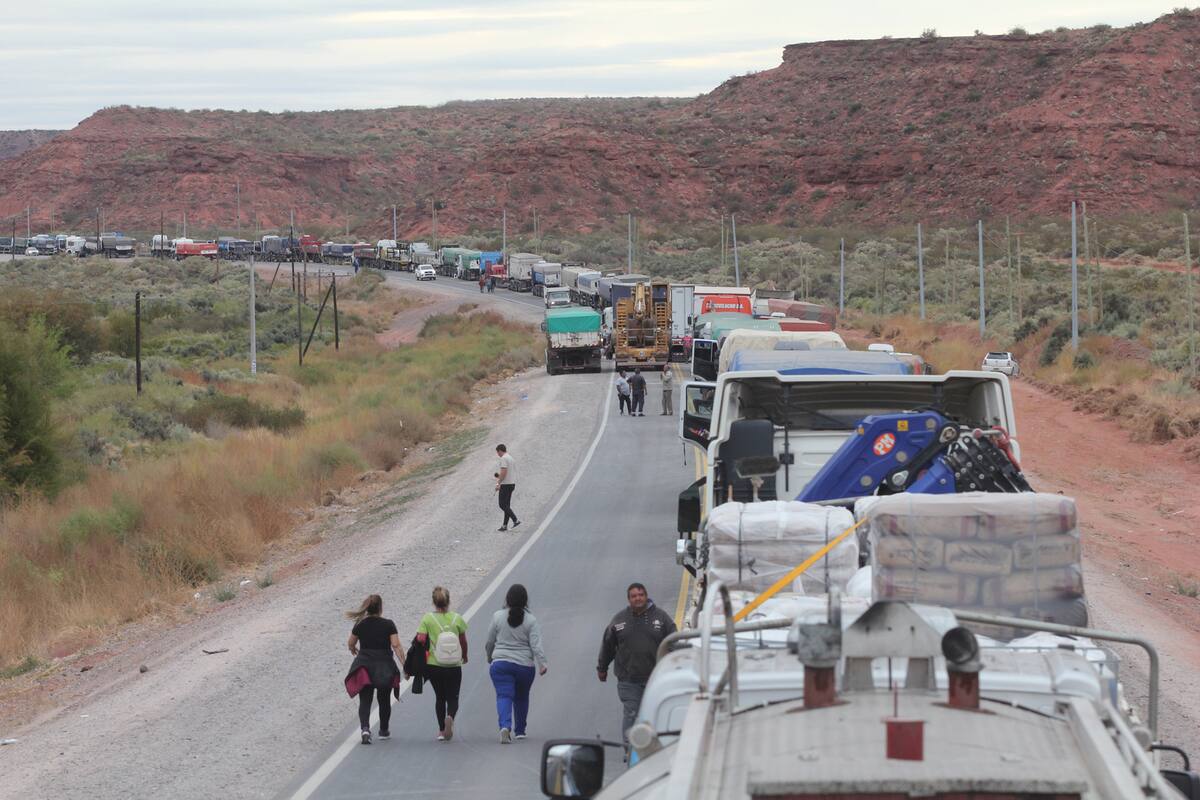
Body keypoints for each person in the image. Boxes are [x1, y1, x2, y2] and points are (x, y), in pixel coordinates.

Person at [597, 583, 677, 744]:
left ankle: (657, 747)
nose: (638, 598)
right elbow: (607, 645)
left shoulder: (661, 618)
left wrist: (676, 664)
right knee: (631, 713)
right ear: (629, 600)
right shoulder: (619, 620)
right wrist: (602, 667)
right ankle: (629, 748)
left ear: (646, 596)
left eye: (640, 595)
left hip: (655, 679)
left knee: (655, 713)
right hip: (628, 680)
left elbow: (674, 640)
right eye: (634, 596)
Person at [485, 584, 548, 743]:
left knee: (504, 695)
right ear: (526, 600)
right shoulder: (531, 620)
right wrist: (542, 663)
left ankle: (505, 727)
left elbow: (490, 641)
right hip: (524, 667)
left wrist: (489, 657)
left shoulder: (497, 616)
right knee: (521, 697)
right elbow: (536, 645)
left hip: (501, 664)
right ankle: (520, 730)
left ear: (507, 599)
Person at [344, 594, 405, 745]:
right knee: (384, 700)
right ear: (380, 608)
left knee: (365, 700)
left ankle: (365, 729)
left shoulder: (360, 624)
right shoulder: (388, 624)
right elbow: (396, 645)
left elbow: (350, 642)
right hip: (383, 666)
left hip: (364, 666)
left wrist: (353, 649)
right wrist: (405, 664)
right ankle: (383, 730)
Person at [416, 586, 469, 741]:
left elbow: (420, 638)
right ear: (448, 600)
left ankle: (441, 730)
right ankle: (450, 716)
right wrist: (464, 656)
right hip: (453, 664)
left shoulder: (427, 618)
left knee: (440, 697)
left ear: (434, 602)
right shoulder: (457, 618)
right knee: (453, 697)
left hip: (434, 664)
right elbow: (463, 641)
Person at [494, 444, 520, 532]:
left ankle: (515, 519)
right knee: (507, 506)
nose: (498, 454)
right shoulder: (511, 458)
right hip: (512, 483)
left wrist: (498, 483)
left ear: (500, 451)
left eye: (497, 452)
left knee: (502, 504)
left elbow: (504, 472)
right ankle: (504, 525)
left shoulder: (504, 458)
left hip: (506, 485)